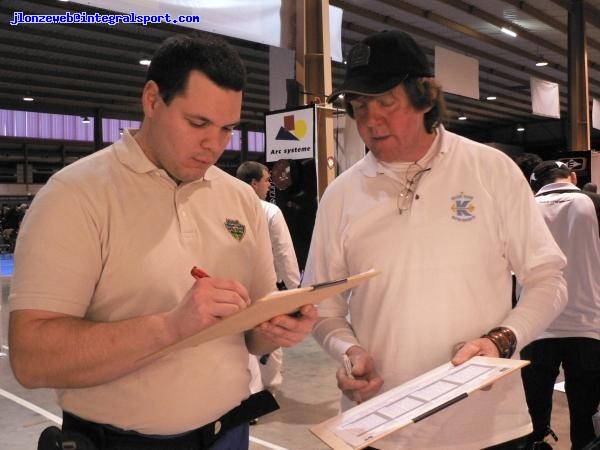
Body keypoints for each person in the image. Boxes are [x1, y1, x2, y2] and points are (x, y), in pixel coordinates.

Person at [8, 33, 316, 450]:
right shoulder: (75, 197)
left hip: (229, 433)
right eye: (198, 123)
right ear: (152, 100)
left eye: (227, 128)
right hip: (117, 443)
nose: (214, 144)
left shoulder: (240, 199)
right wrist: (171, 326)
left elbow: (252, 335)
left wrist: (277, 328)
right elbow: (31, 359)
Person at [303, 29, 567, 449]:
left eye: (385, 102)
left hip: (487, 427)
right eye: (359, 105)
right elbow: (322, 307)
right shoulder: (340, 195)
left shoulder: (490, 170)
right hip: (378, 428)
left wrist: (501, 340)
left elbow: (549, 280)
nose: (371, 120)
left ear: (424, 97)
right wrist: (348, 353)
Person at [522, 161, 600, 449]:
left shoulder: (525, 208)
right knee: (585, 414)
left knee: (533, 417)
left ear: (534, 183)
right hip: (588, 325)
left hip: (535, 325)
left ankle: (538, 441)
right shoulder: (594, 204)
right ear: (573, 177)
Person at [236, 161, 301, 395]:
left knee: (237, 338)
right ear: (254, 183)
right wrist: (296, 291)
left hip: (233, 287)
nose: (268, 184)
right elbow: (284, 252)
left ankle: (251, 391)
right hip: (263, 286)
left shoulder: (226, 208)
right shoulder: (269, 210)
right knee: (269, 332)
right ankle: (268, 387)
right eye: (266, 179)